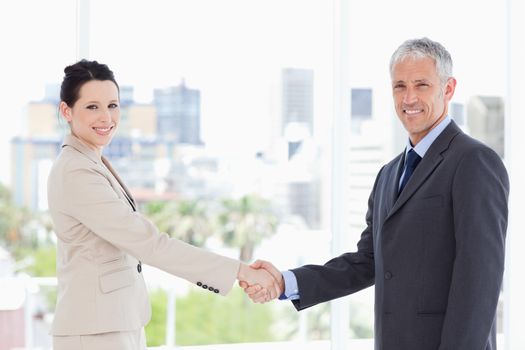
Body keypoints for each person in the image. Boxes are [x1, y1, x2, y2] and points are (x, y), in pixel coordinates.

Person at [242, 37, 509, 350]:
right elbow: (367, 262)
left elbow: (479, 280)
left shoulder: (473, 161)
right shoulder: (388, 174)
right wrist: (285, 282)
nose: (409, 97)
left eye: (421, 84)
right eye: (399, 86)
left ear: (448, 89)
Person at [48, 59, 279, 350]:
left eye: (113, 105)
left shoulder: (90, 161)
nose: (106, 117)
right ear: (66, 111)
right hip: (95, 333)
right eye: (92, 107)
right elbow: (150, 244)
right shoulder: (76, 171)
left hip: (115, 323)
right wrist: (240, 271)